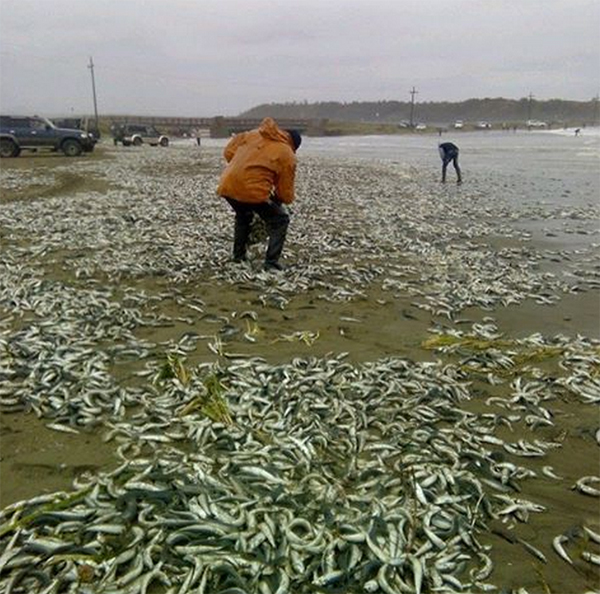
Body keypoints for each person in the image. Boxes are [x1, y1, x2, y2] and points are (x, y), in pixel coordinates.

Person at [217, 117, 301, 271]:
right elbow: (285, 191)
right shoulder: (287, 152)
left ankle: (238, 256)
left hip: (227, 185)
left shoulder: (253, 134)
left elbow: (228, 152)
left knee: (243, 216)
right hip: (251, 190)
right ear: (293, 145)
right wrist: (278, 200)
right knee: (280, 220)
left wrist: (243, 165)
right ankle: (271, 263)